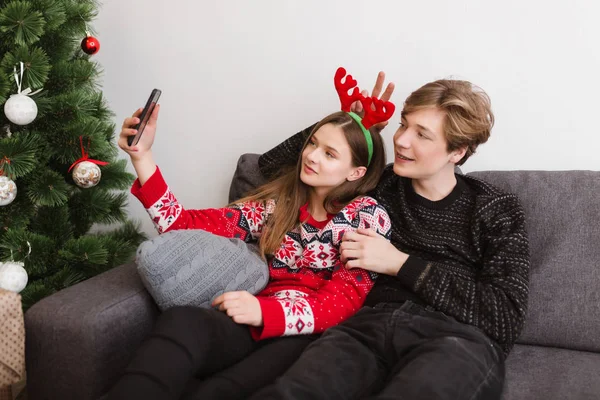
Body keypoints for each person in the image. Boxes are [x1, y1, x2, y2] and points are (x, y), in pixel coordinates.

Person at [108, 68, 395, 400]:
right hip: (252, 313)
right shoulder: (278, 206)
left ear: (356, 172)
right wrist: (142, 157)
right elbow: (181, 224)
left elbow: (343, 301)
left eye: (330, 154)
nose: (311, 156)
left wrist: (266, 313)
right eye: (313, 143)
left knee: (218, 390)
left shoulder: (366, 216)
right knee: (182, 321)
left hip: (311, 336)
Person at [249, 74, 531, 400]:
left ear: (457, 151)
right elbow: (268, 168)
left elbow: (505, 316)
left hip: (455, 339)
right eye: (403, 125)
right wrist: (353, 127)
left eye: (421, 135)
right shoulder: (380, 184)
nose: (401, 141)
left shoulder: (495, 209)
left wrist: (400, 264)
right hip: (365, 328)